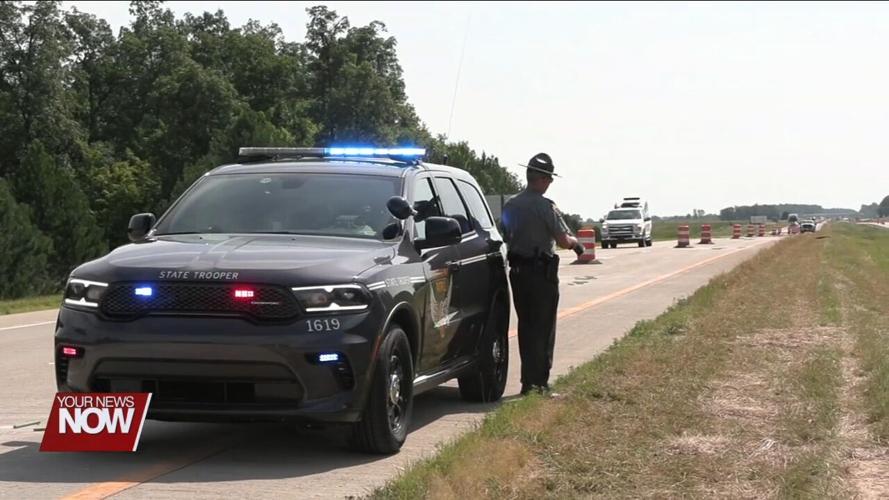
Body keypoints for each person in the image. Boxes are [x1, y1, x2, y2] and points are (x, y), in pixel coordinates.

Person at [500, 153, 583, 396]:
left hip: (518, 273)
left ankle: (528, 382)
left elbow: (504, 233)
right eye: (549, 179)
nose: (550, 184)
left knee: (526, 326)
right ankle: (540, 384)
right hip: (541, 274)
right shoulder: (545, 206)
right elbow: (562, 239)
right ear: (542, 179)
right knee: (544, 327)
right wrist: (577, 244)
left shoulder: (511, 205)